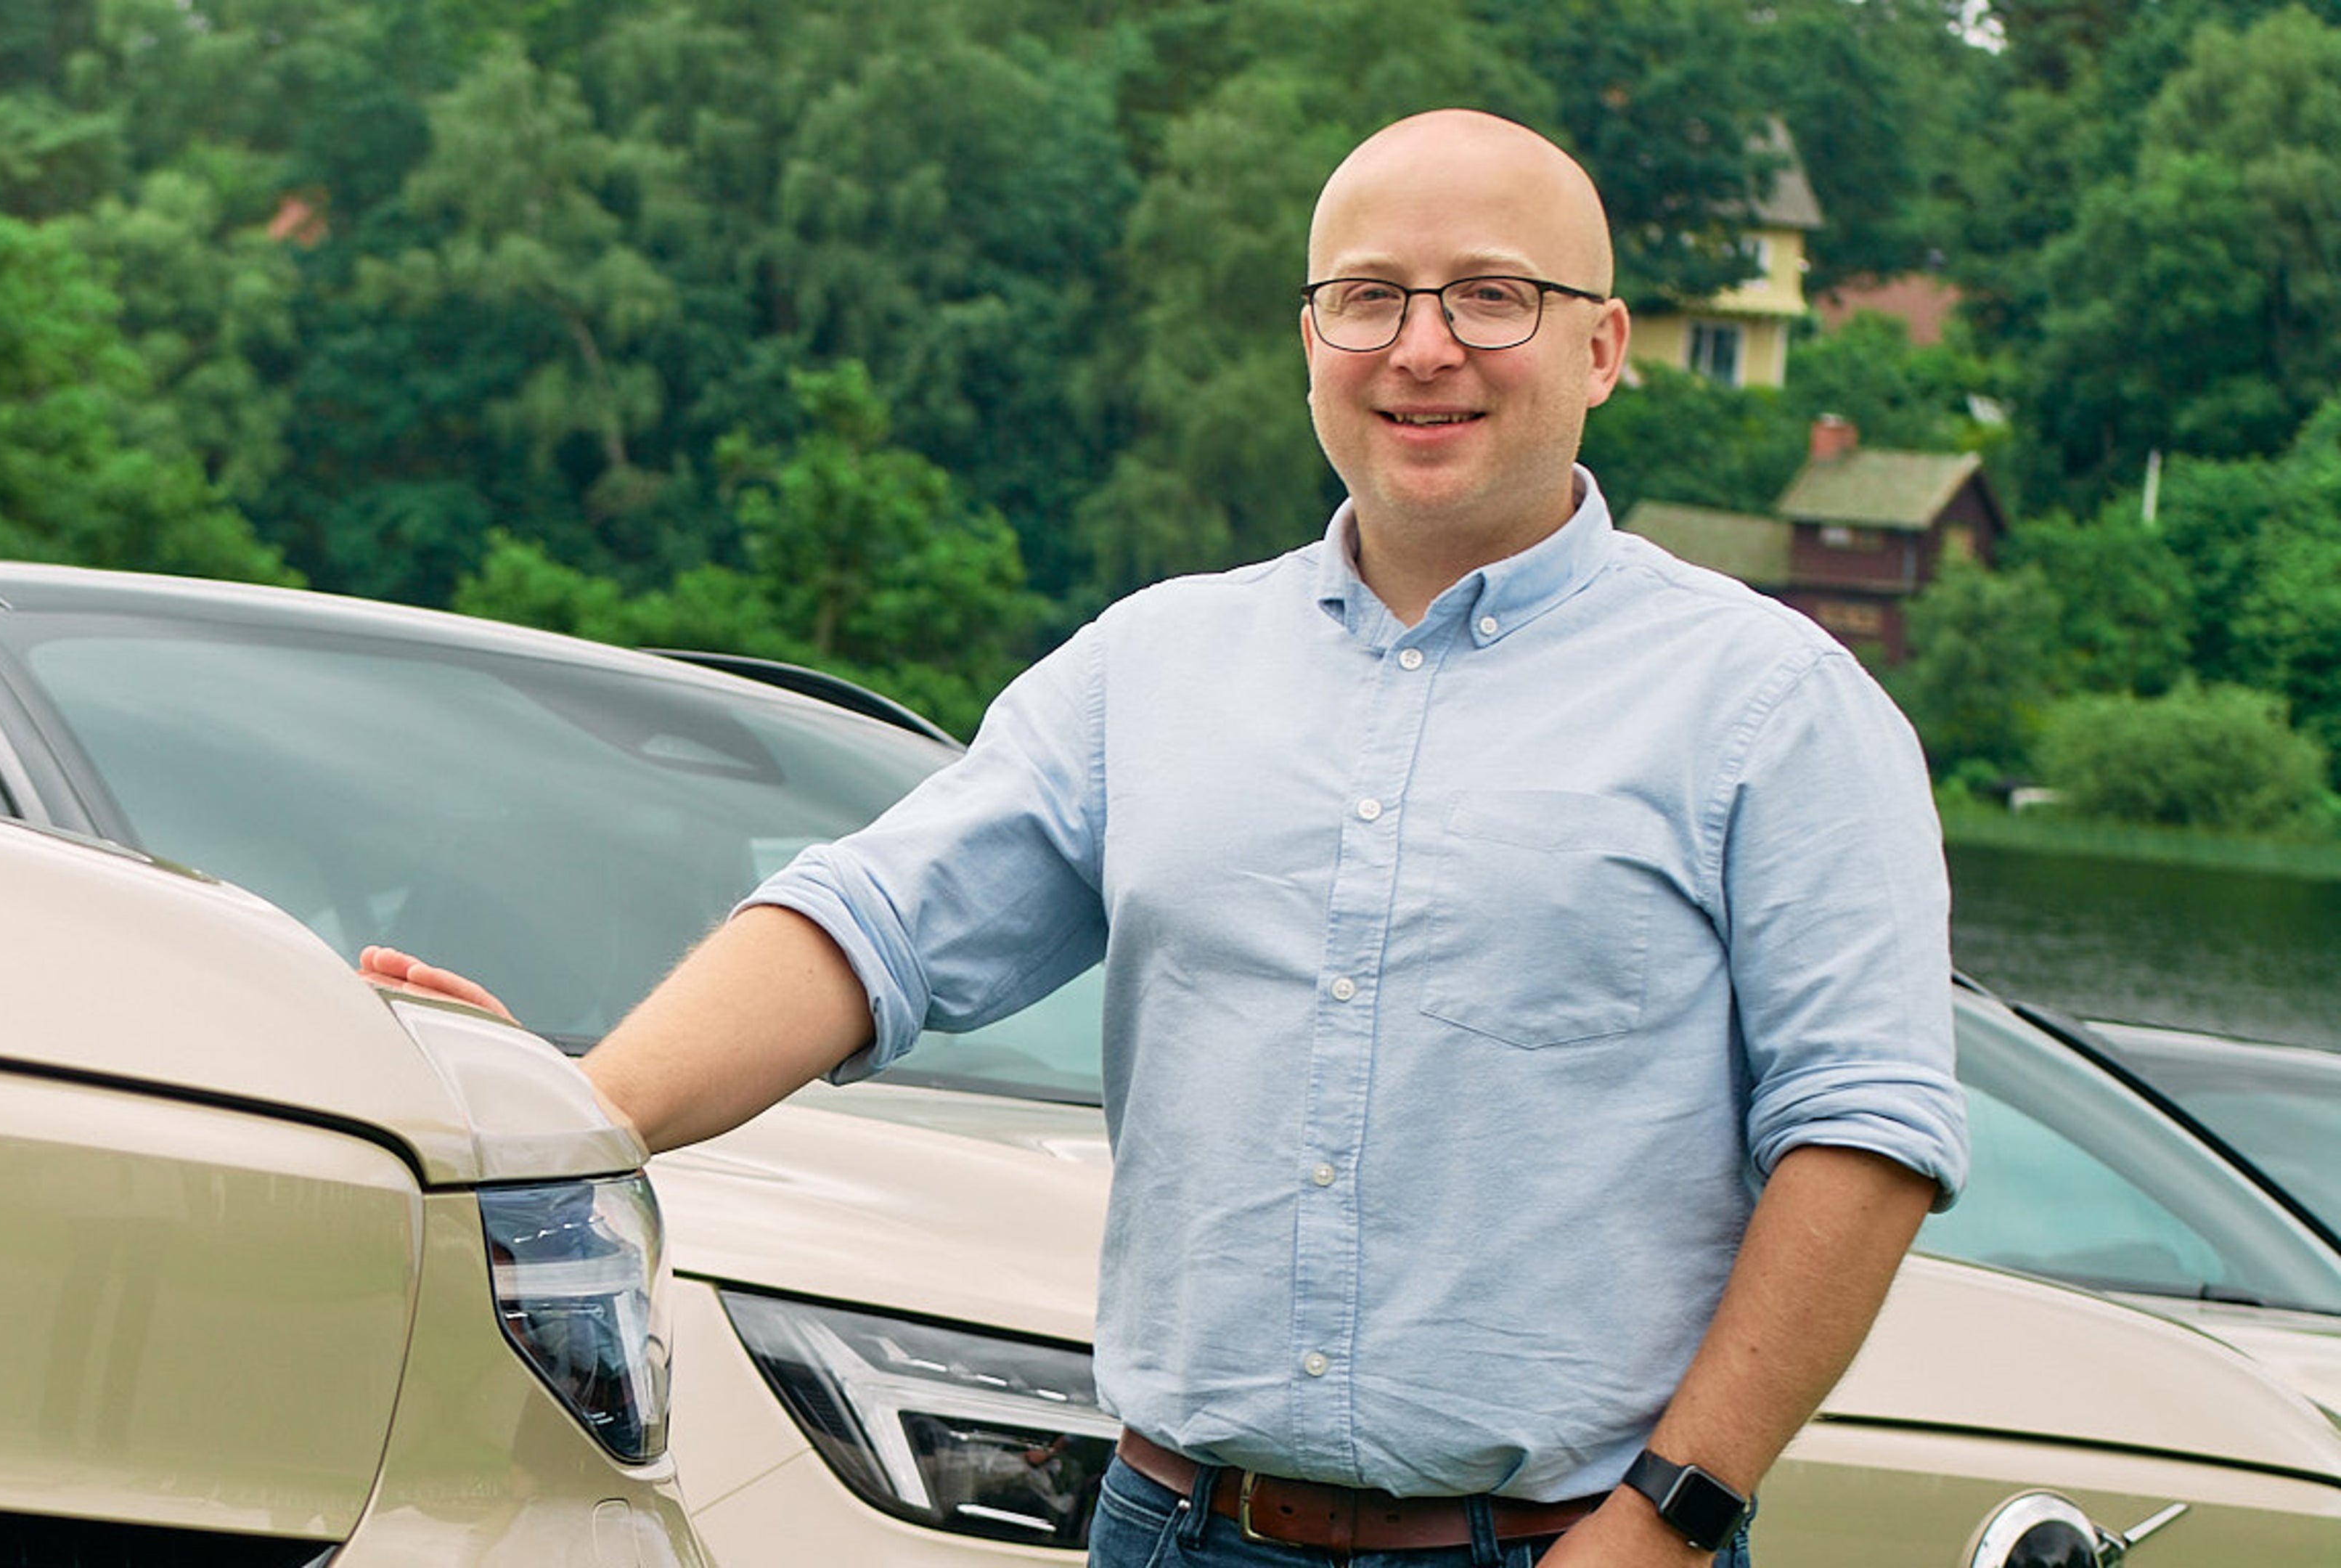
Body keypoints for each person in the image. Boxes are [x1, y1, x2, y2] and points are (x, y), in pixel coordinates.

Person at [367, 107, 1966, 1567]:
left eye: (1491, 295)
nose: (1424, 348)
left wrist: (1676, 1516)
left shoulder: (1774, 706)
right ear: (1310, 337)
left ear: (1604, 345)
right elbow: (875, 928)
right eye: (1371, 297)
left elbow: (1866, 1132)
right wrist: (569, 1120)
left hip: (1570, 1546)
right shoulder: (1156, 666)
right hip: (1173, 1528)